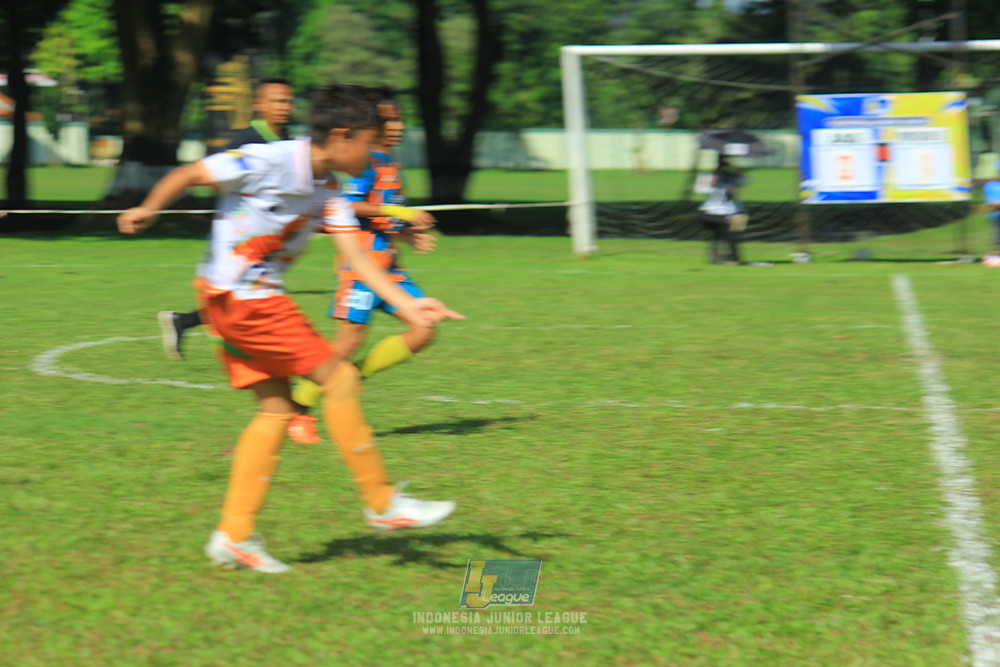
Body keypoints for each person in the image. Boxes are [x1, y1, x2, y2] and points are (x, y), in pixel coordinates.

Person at [118, 84, 465, 574]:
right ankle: (382, 502)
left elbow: (358, 259)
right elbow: (191, 172)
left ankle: (233, 536)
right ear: (342, 137)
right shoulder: (269, 159)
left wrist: (410, 308)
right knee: (339, 379)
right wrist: (150, 207)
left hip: (229, 298)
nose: (375, 154)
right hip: (245, 299)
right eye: (370, 142)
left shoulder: (330, 193)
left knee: (276, 411)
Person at [285, 86, 439, 445]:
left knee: (424, 326)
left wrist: (403, 236)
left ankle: (350, 377)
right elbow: (345, 209)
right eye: (389, 119)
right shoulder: (364, 163)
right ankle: (299, 407)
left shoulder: (390, 165)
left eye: (400, 119)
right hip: (361, 268)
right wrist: (396, 211)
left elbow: (378, 219)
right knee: (346, 342)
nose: (397, 126)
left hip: (388, 267)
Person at [158, 78, 295, 360]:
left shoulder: (286, 141)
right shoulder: (245, 140)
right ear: (259, 104)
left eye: (288, 101)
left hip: (266, 236)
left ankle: (182, 322)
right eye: (277, 101)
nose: (285, 107)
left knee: (242, 301)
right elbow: (216, 178)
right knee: (243, 302)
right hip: (239, 236)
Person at [698, 154, 747, 265]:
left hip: (727, 212)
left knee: (723, 233)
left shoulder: (732, 177)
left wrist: (734, 169)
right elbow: (705, 188)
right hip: (710, 212)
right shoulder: (708, 176)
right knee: (726, 230)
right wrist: (716, 174)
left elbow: (745, 179)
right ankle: (731, 258)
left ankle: (720, 258)